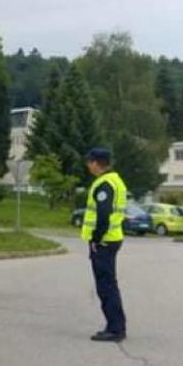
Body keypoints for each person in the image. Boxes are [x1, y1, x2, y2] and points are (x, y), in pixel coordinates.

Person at [82, 146, 128, 342]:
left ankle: (115, 329)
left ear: (96, 163)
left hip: (104, 241)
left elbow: (103, 214)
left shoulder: (104, 184)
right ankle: (116, 325)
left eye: (89, 162)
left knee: (106, 286)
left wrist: (96, 238)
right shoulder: (116, 181)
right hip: (112, 238)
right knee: (109, 284)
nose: (88, 166)